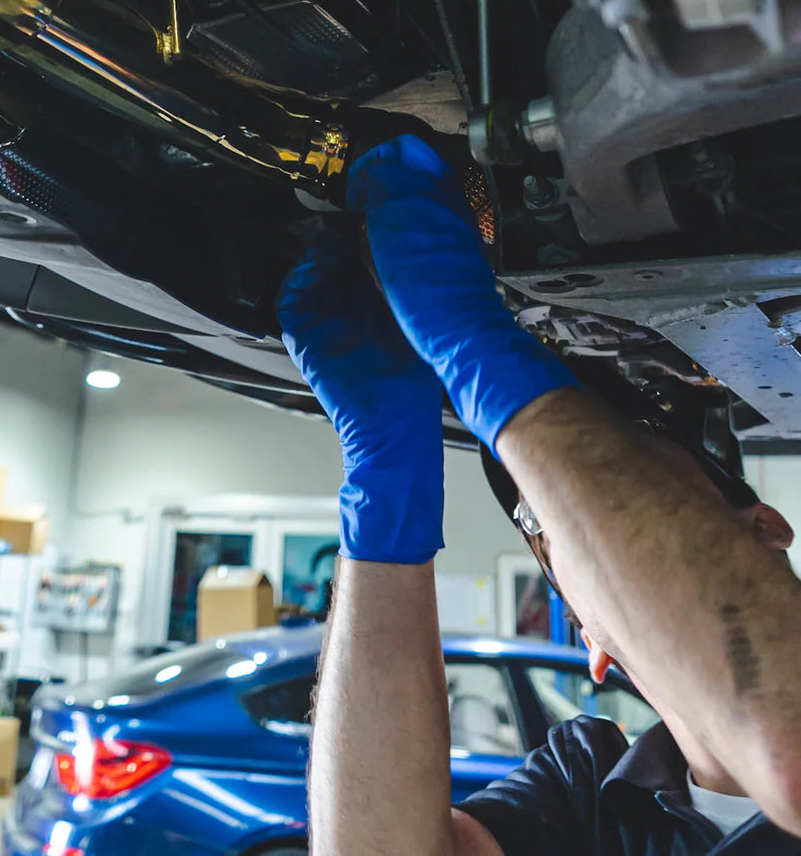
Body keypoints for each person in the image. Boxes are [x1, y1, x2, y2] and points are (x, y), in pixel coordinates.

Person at [278, 133, 801, 854]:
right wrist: (383, 487)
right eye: (541, 514)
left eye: (627, 474)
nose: (560, 504)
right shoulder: (587, 788)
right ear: (595, 643)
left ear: (765, 525)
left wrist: (483, 352)